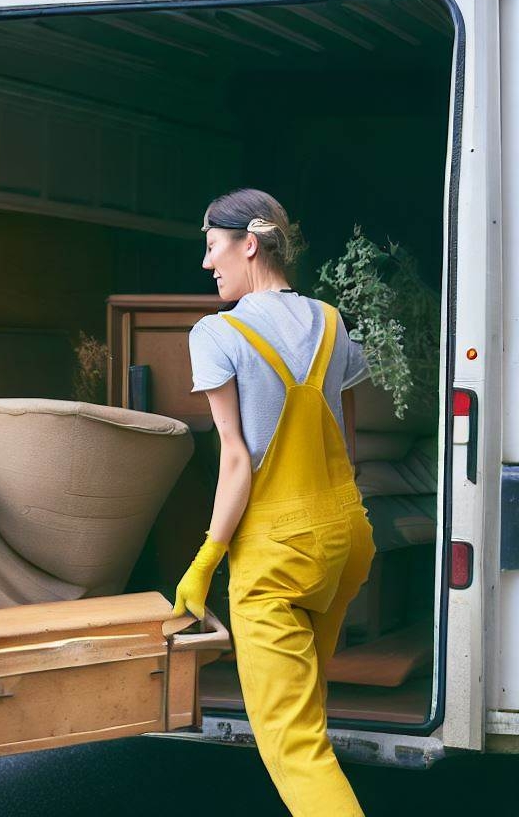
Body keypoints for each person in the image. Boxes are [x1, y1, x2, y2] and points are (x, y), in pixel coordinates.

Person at [173, 189, 375, 817]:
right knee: (306, 710)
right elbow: (345, 439)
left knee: (295, 747)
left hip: (276, 562)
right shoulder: (332, 322)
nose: (208, 264)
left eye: (212, 247)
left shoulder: (216, 333)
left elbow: (235, 459)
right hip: (344, 548)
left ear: (249, 244)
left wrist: (206, 559)